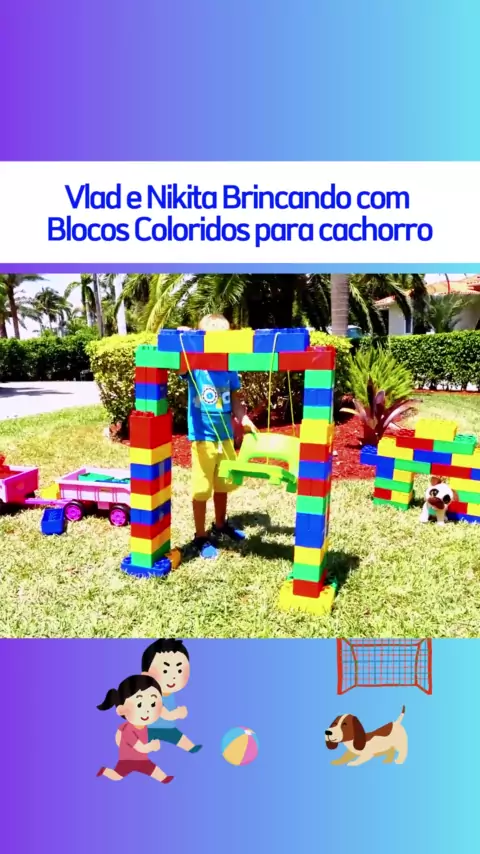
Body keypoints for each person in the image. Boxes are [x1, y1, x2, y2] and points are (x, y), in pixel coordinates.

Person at [180, 314, 256, 559]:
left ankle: (220, 525)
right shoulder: (195, 366)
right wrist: (188, 337)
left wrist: (243, 418)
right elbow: (181, 362)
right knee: (202, 488)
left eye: (223, 341)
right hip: (203, 438)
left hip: (225, 438)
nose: (218, 347)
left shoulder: (229, 368)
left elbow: (235, 400)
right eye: (212, 341)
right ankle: (200, 536)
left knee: (222, 483)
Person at [97, 674, 174, 783]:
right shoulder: (128, 730)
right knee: (117, 776)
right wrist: (151, 746)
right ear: (122, 710)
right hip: (127, 761)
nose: (147, 710)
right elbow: (140, 747)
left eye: (152, 704)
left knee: (153, 769)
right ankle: (105, 771)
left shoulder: (144, 726)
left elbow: (120, 739)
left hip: (142, 759)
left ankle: (163, 778)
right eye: (139, 705)